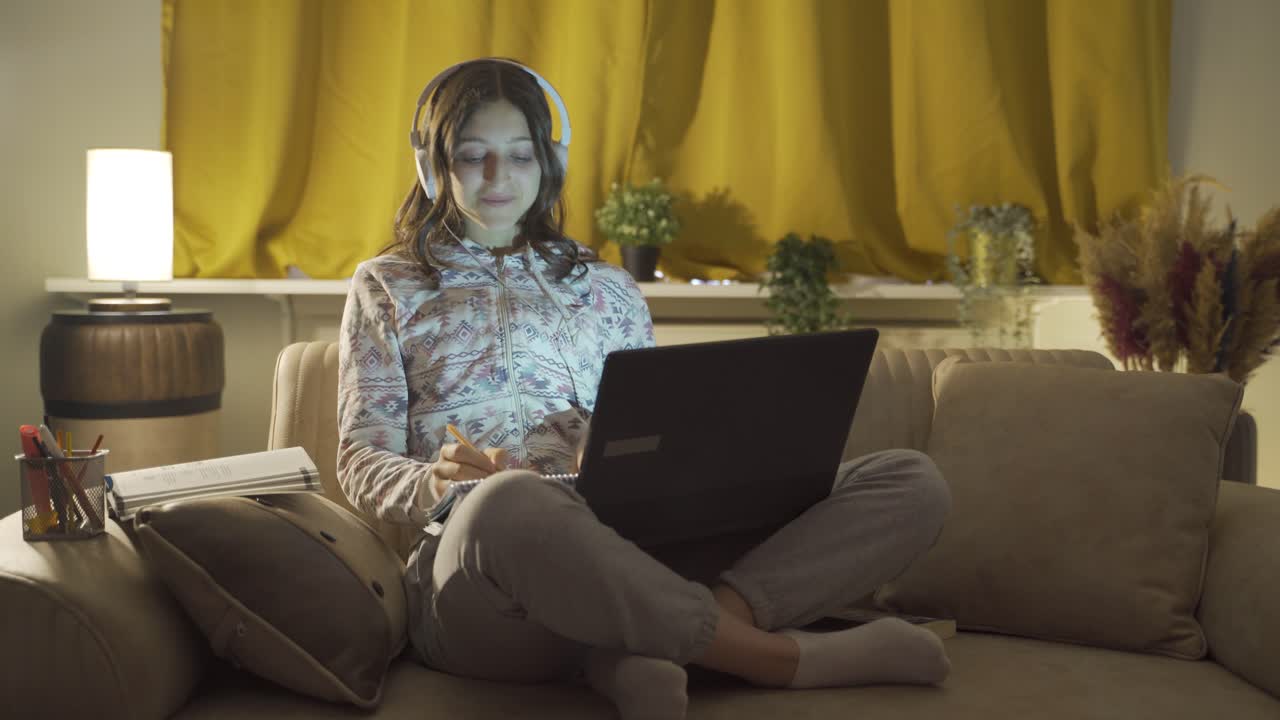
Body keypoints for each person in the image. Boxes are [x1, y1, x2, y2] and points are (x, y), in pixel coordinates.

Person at [337, 58, 952, 720]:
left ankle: (645, 651)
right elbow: (359, 460)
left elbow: (647, 438)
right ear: (434, 167)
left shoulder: (605, 288)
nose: (499, 177)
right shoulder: (385, 286)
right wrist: (432, 482)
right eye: (472, 155)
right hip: (480, 585)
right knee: (509, 502)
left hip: (627, 552)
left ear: (549, 163)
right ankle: (776, 660)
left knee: (909, 481)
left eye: (519, 155)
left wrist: (635, 461)